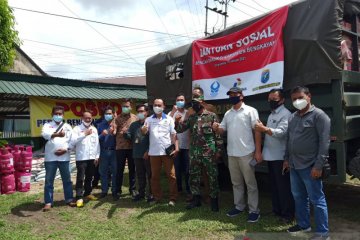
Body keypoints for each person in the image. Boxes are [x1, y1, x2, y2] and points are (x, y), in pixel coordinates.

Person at [284, 86, 330, 240]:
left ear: (309, 96)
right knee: (298, 196)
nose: (297, 101)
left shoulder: (320, 116)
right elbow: (289, 140)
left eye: (300, 97)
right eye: (294, 99)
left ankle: (323, 233)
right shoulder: (292, 117)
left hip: (310, 166)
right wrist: (286, 159)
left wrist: (318, 166)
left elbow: (324, 143)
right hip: (294, 165)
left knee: (317, 199)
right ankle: (304, 224)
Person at [213, 86, 262, 223]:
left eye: (235, 94)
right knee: (236, 183)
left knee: (250, 184)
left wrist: (258, 151)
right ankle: (239, 206)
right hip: (232, 153)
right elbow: (222, 130)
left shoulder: (250, 111)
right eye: (230, 95)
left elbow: (257, 131)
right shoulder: (228, 113)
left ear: (241, 95)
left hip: (247, 152)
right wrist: (217, 128)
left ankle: (254, 210)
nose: (232, 96)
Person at [175, 96, 223, 212]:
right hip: (195, 152)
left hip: (209, 152)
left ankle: (214, 201)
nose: (194, 105)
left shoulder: (211, 116)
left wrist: (218, 150)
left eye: (196, 103)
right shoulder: (192, 117)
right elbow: (180, 129)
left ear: (202, 102)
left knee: (212, 177)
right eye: (192, 104)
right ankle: (196, 200)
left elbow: (218, 135)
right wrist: (177, 122)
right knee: (194, 176)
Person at [254, 89, 294, 223]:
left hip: (280, 157)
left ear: (282, 100)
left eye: (274, 99)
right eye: (269, 99)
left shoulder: (285, 114)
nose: (271, 102)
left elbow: (281, 133)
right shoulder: (272, 114)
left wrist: (263, 129)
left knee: (283, 187)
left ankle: (287, 215)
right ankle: (277, 210)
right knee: (275, 186)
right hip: (271, 156)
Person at [141, 98, 179, 206]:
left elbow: (173, 134)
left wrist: (176, 147)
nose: (157, 107)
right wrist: (143, 130)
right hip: (154, 153)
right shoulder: (148, 120)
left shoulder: (169, 119)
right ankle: (157, 197)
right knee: (155, 177)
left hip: (167, 152)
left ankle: (173, 198)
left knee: (171, 175)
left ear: (163, 107)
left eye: (159, 105)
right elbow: (144, 131)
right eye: (155, 105)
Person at [41, 105, 75, 211]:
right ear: (52, 115)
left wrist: (65, 150)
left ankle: (69, 199)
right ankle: (48, 202)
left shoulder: (68, 126)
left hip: (64, 157)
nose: (58, 115)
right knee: (49, 181)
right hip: (50, 158)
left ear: (63, 115)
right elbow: (44, 134)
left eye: (60, 114)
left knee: (67, 180)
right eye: (56, 114)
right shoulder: (47, 125)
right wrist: (56, 135)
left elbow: (72, 141)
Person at [70, 111, 100, 207]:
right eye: (86, 118)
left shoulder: (94, 129)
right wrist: (84, 134)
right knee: (80, 178)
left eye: (90, 118)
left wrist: (97, 156)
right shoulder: (77, 129)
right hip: (81, 158)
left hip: (91, 158)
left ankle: (87, 193)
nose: (88, 119)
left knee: (89, 177)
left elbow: (97, 144)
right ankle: (79, 197)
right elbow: (73, 141)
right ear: (82, 118)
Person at [125, 104, 153, 202]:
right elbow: (129, 136)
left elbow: (154, 140)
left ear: (147, 112)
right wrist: (125, 133)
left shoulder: (150, 123)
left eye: (142, 111)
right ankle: (141, 194)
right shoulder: (134, 125)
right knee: (140, 175)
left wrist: (148, 151)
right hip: (136, 153)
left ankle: (151, 195)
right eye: (138, 111)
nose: (140, 113)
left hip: (148, 154)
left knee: (150, 175)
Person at [168, 93, 191, 200]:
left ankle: (188, 190)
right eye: (178, 100)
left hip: (187, 145)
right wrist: (173, 112)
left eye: (182, 99)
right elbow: (166, 124)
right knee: (176, 169)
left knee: (187, 170)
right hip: (175, 146)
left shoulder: (188, 113)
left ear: (185, 101)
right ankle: (178, 189)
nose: (180, 101)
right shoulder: (171, 113)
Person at [115, 99, 138, 197]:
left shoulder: (135, 117)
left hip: (132, 147)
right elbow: (113, 130)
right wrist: (117, 131)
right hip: (120, 147)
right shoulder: (117, 118)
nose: (125, 108)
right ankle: (118, 190)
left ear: (131, 107)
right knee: (119, 169)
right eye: (123, 106)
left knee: (132, 169)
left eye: (127, 106)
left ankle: (132, 189)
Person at [97, 106, 119, 200]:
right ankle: (104, 191)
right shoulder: (100, 125)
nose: (108, 115)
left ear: (113, 114)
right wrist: (103, 134)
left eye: (110, 113)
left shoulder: (117, 124)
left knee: (115, 172)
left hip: (115, 152)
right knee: (103, 172)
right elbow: (96, 139)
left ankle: (114, 191)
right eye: (106, 113)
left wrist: (115, 132)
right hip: (104, 151)